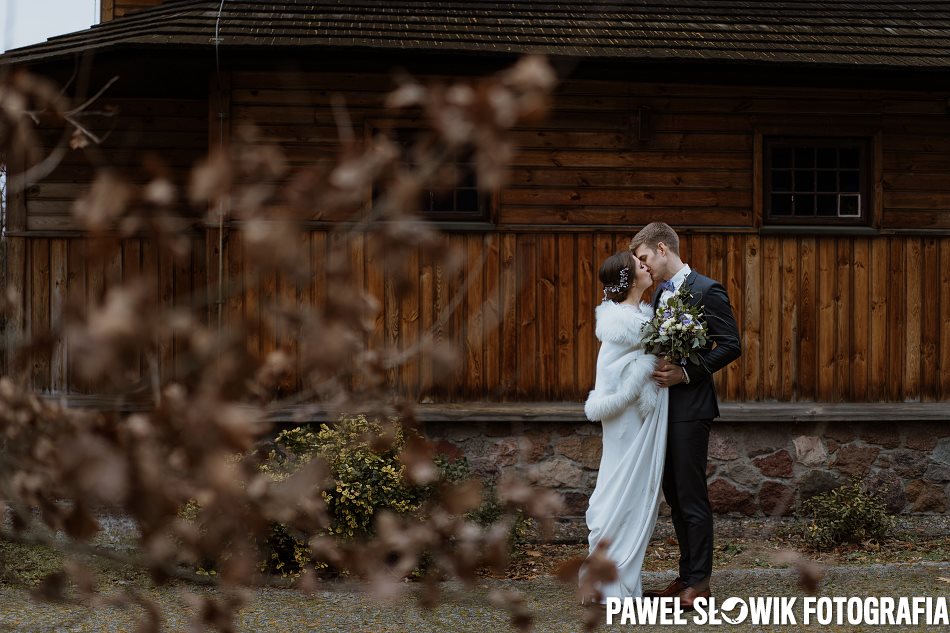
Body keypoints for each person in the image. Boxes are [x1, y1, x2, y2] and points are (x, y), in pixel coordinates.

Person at [631, 222, 741, 610]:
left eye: (644, 258)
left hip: (692, 409)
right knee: (675, 497)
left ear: (662, 248)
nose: (643, 267)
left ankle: (701, 583)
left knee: (692, 497)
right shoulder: (661, 294)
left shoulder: (707, 290)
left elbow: (730, 345)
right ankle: (686, 576)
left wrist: (687, 372)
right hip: (663, 409)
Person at [581, 250, 668, 602]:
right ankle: (606, 578)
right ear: (630, 279)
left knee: (636, 490)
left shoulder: (641, 317)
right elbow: (612, 372)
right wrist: (646, 367)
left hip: (637, 415)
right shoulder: (623, 324)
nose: (647, 268)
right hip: (625, 418)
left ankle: (622, 574)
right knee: (621, 487)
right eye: (640, 266)